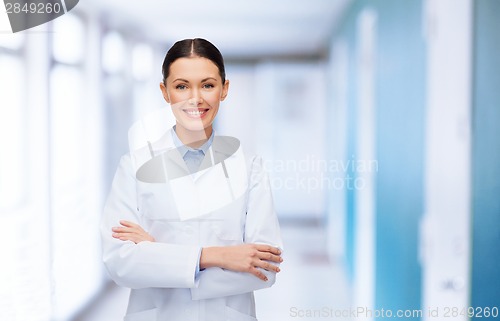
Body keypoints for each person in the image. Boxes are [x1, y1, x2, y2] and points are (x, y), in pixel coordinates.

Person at [100, 38, 283, 321]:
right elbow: (120, 264)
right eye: (181, 86)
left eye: (208, 85)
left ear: (224, 89)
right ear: (165, 92)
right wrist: (216, 256)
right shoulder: (134, 166)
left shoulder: (249, 167)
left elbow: (265, 269)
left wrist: (155, 254)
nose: (195, 98)